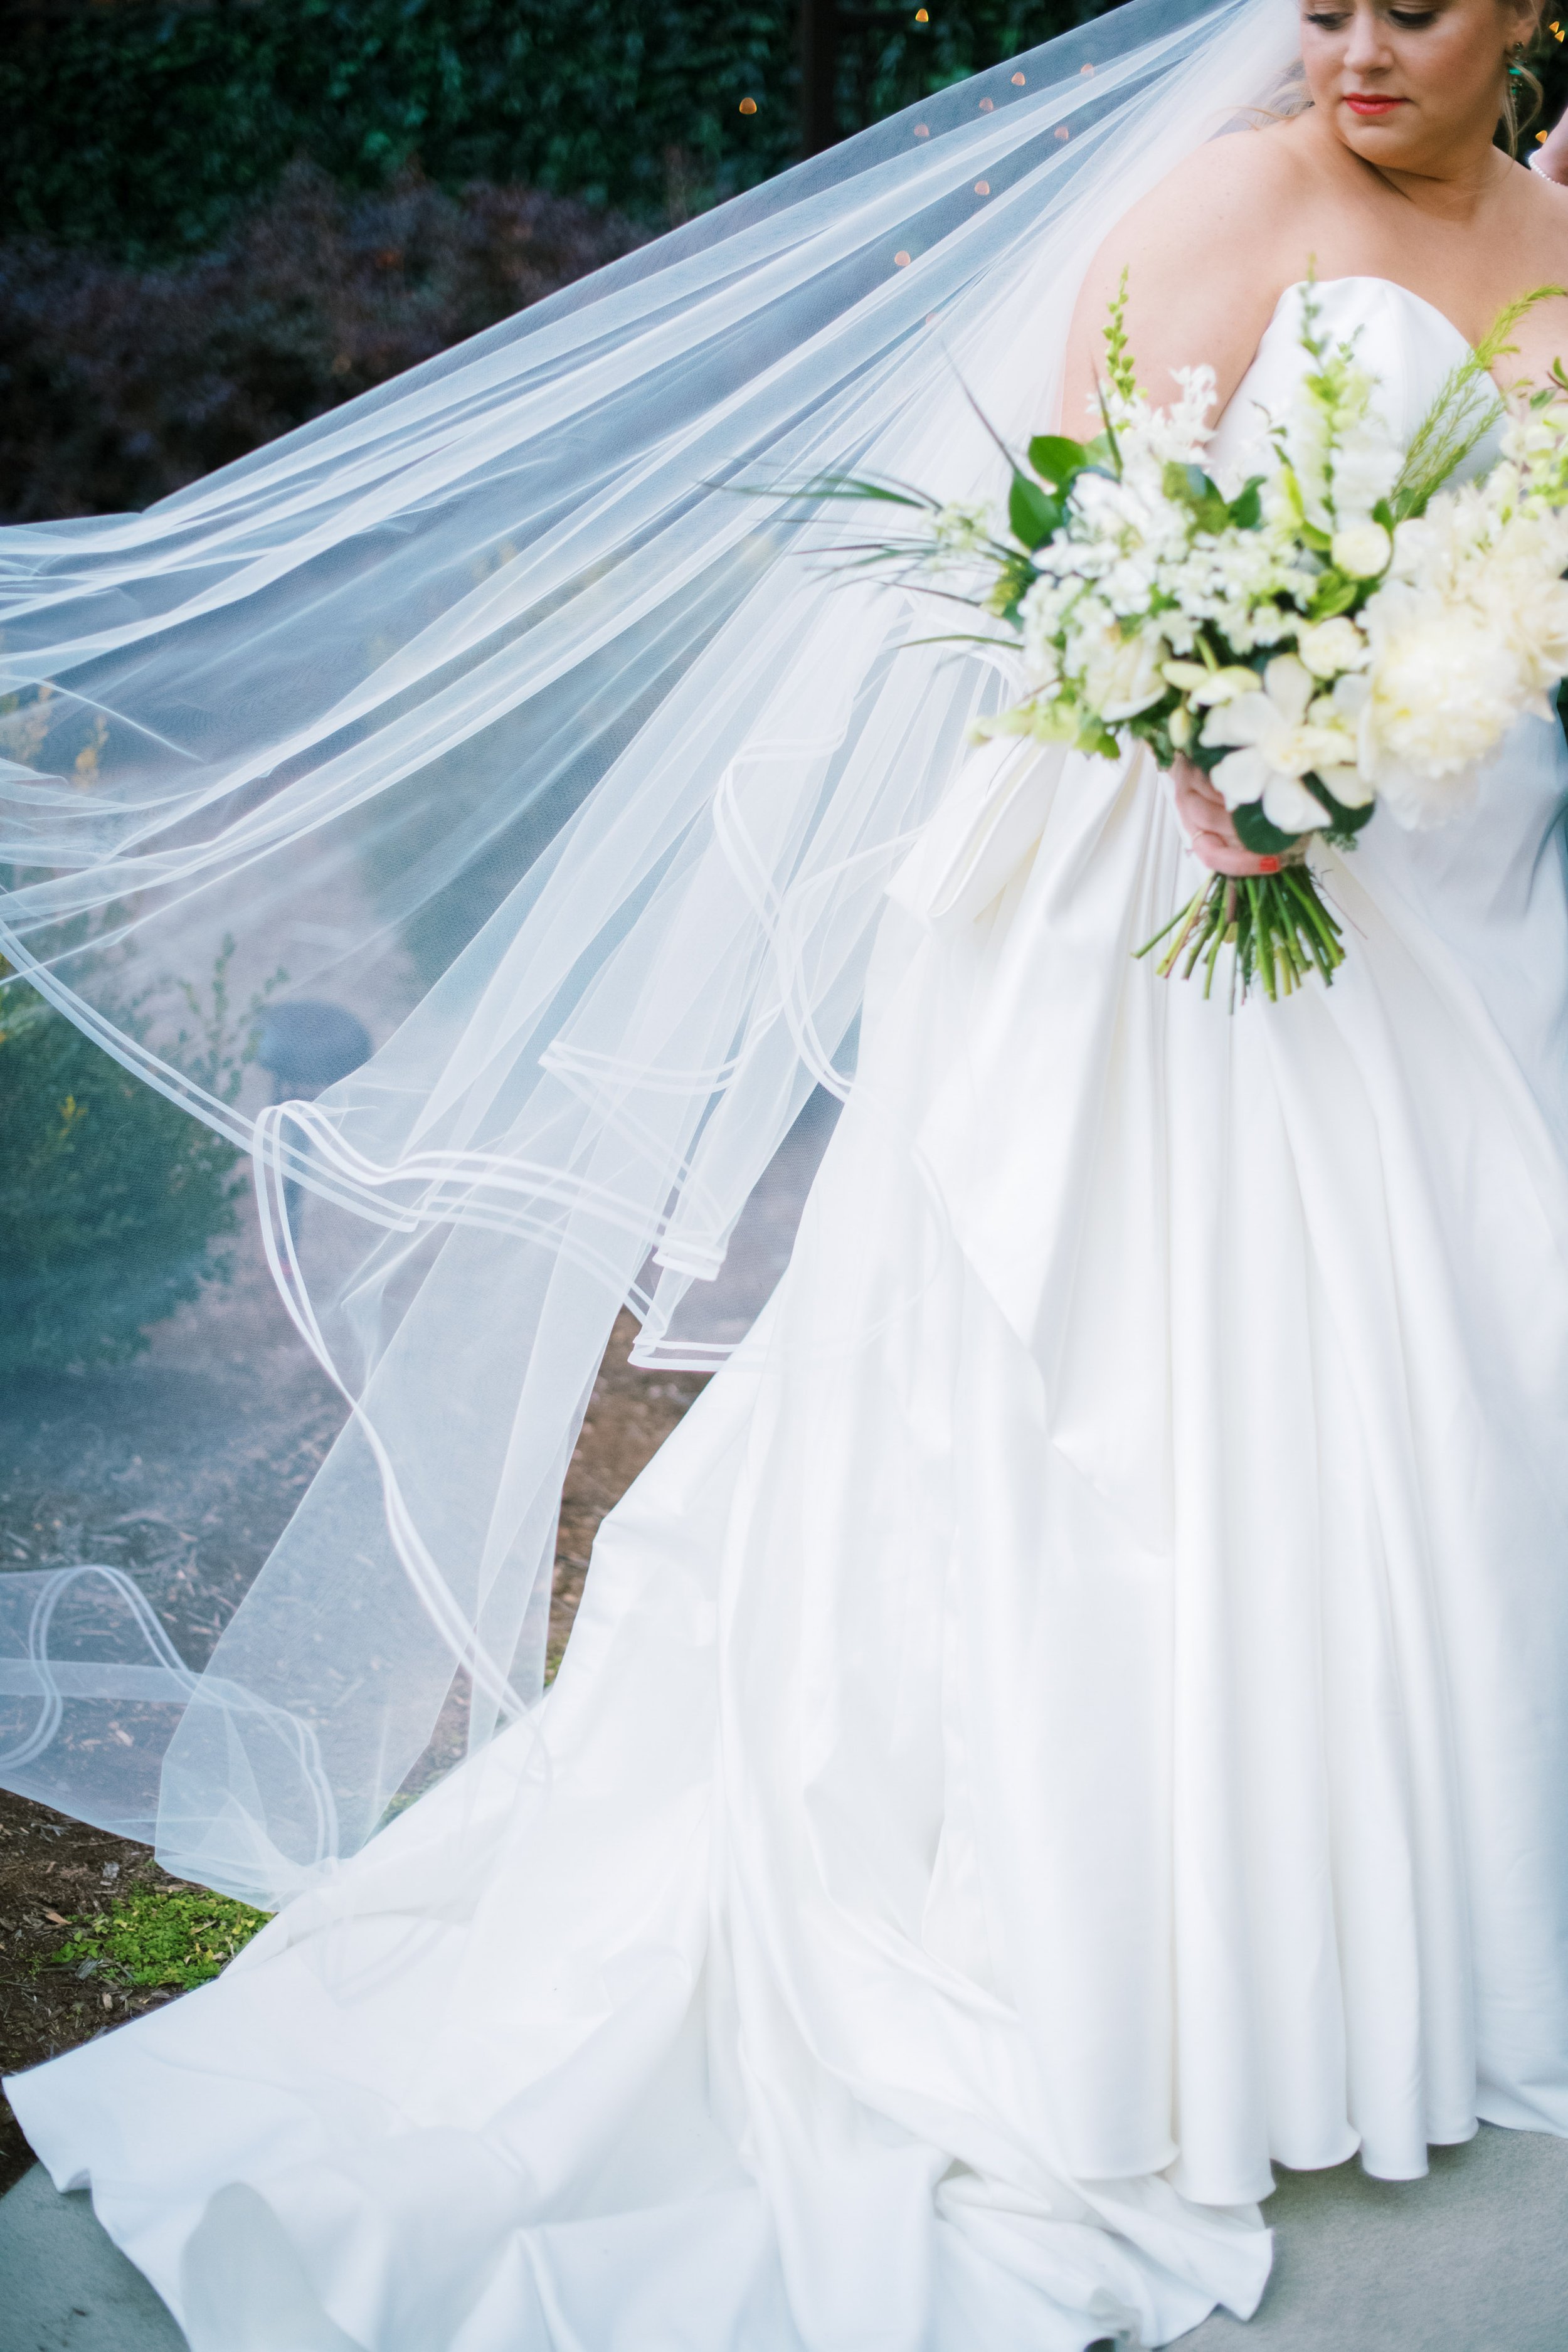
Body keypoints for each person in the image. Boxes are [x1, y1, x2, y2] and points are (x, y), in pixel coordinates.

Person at [5, 0, 1568, 2345]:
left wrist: (1391, 714)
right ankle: (1109, 1956)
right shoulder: (1230, 201)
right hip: (1128, 925)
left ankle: (1341, 1928)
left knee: (1403, 1386)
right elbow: (1061, 539)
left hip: (1431, 909)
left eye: (1412, 4)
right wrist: (1198, 725)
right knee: (1130, 1412)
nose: (1353, 47)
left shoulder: (1553, 251)